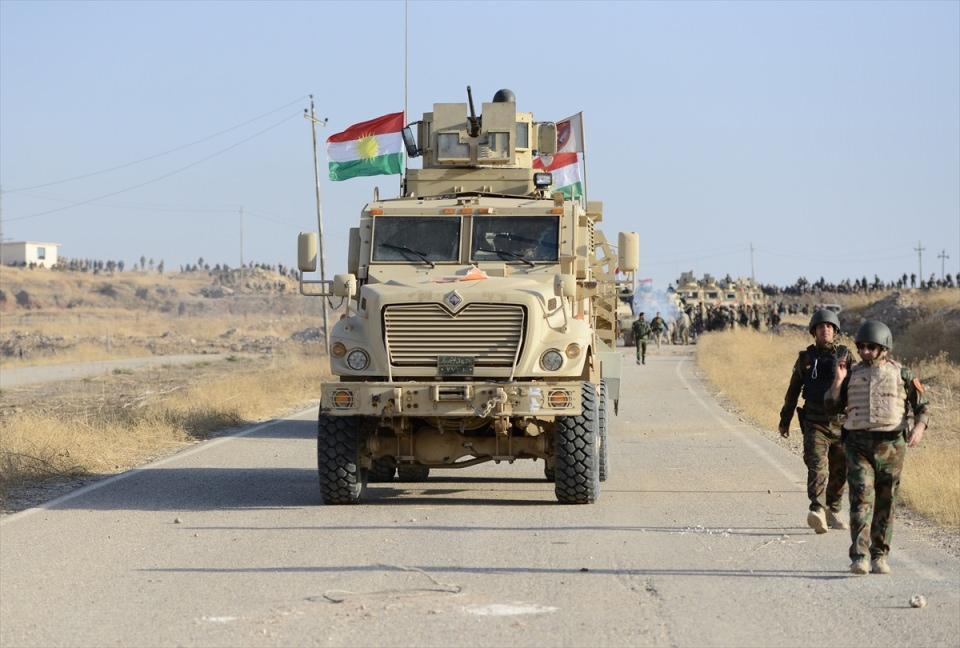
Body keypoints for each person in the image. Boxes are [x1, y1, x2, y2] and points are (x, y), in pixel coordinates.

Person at [825, 320, 929, 575]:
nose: (865, 352)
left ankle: (879, 555)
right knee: (860, 497)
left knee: (886, 500)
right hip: (858, 445)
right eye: (861, 347)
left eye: (871, 347)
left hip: (891, 446)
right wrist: (838, 381)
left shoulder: (902, 374)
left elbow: (922, 406)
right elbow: (831, 407)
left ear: (884, 348)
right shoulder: (851, 374)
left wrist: (919, 428)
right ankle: (859, 556)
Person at [778, 309, 852, 534]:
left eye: (829, 326)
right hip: (814, 422)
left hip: (841, 423)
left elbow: (858, 385)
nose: (825, 330)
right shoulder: (806, 358)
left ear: (835, 331)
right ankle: (817, 509)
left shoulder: (846, 355)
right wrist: (785, 419)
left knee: (841, 470)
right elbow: (793, 391)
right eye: (820, 327)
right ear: (814, 331)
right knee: (817, 466)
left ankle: (833, 510)